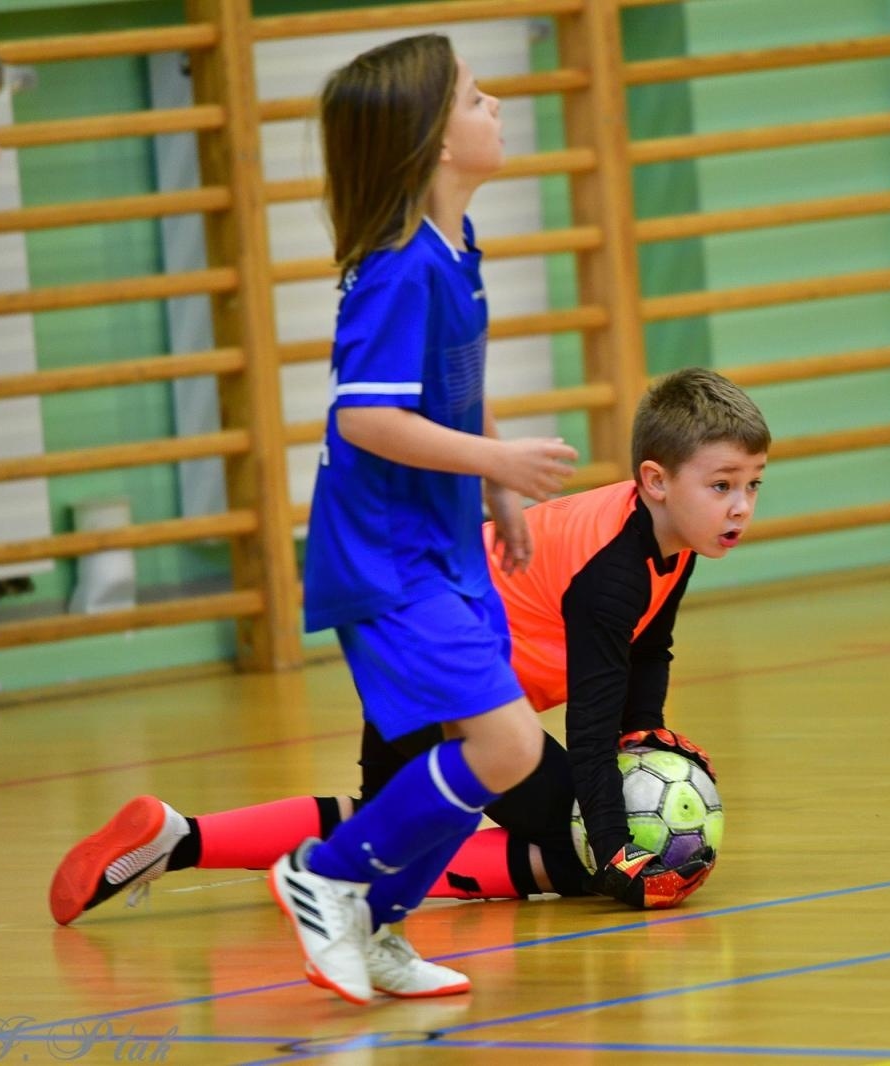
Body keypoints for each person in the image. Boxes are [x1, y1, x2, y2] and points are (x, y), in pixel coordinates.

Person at [51, 368, 770, 928]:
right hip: (442, 664)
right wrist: (615, 845)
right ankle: (335, 884)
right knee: (574, 851)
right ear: (655, 481)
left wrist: (644, 739)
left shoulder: (671, 537)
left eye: (752, 486)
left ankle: (177, 839)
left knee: (383, 812)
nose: (741, 505)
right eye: (722, 486)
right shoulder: (612, 570)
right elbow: (590, 717)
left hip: (417, 644)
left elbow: (650, 653)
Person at [254, 33, 584, 1006]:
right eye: (477, 99)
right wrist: (496, 461)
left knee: (492, 749)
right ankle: (326, 874)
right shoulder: (400, 268)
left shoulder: (454, 247)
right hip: (387, 558)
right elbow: (367, 415)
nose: (497, 107)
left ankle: (380, 921)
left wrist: (496, 486)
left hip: (441, 545)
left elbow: (451, 382)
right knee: (508, 746)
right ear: (434, 141)